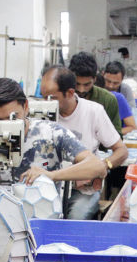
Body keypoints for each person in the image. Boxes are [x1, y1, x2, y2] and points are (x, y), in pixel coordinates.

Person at [0, 76, 108, 219]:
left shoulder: (51, 133)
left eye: (13, 118)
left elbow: (97, 167)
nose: (7, 127)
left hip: (42, 220)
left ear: (26, 106)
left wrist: (52, 175)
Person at [40, 65, 125, 217]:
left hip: (83, 189)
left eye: (52, 98)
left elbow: (121, 151)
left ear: (70, 93)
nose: (46, 102)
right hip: (48, 186)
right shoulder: (40, 113)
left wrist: (101, 167)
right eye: (43, 96)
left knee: (75, 218)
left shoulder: (93, 111)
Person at [68, 51, 134, 133]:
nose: (81, 90)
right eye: (77, 84)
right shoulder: (63, 97)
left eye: (87, 84)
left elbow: (119, 135)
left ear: (94, 79)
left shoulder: (109, 100)